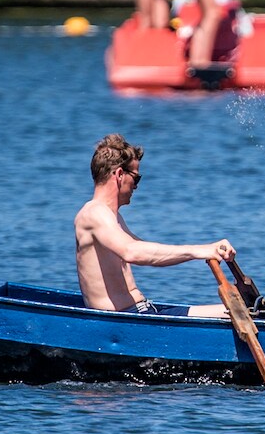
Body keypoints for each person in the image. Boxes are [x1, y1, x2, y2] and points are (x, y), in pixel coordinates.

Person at [74, 134, 234, 317]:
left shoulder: (111, 218)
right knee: (233, 314)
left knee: (236, 311)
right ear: (119, 175)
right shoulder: (94, 213)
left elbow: (148, 252)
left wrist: (207, 250)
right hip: (125, 320)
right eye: (136, 178)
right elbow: (132, 252)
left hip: (139, 312)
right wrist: (200, 251)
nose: (136, 187)